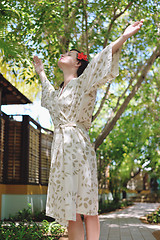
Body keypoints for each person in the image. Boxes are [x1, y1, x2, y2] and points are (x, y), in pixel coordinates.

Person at [33, 19, 144, 240]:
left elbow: (99, 61)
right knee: (70, 210)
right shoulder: (57, 93)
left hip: (78, 147)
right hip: (61, 150)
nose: (64, 54)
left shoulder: (83, 83)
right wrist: (41, 72)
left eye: (69, 54)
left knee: (87, 206)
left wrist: (123, 37)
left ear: (77, 64)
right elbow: (47, 95)